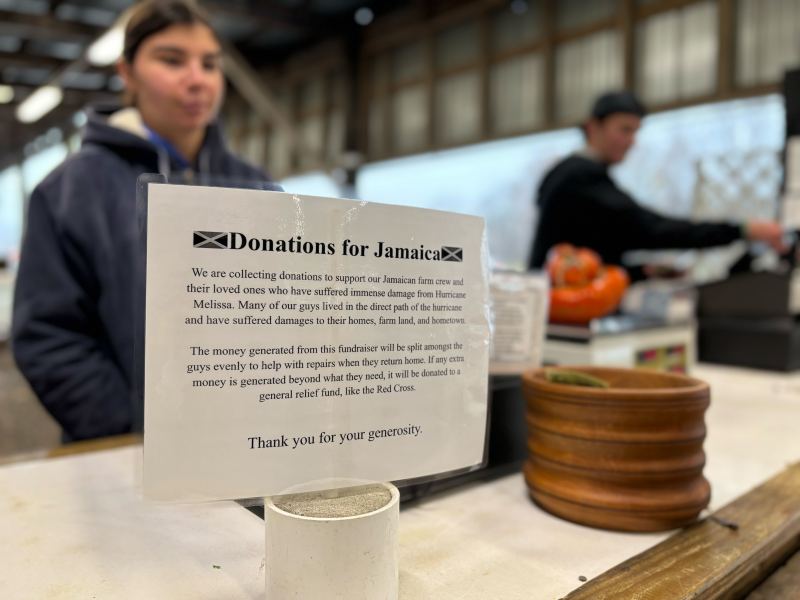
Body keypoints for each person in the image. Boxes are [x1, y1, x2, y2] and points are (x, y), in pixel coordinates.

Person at [12, 0, 271, 441]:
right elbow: (49, 336)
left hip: (243, 446)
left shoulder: (257, 187)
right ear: (127, 73)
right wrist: (131, 429)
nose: (196, 80)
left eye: (209, 64)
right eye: (172, 60)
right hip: (124, 453)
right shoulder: (70, 190)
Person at [528, 91, 786, 274]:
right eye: (624, 129)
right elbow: (651, 228)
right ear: (593, 126)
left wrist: (642, 271)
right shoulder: (579, 177)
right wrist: (742, 230)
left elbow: (594, 248)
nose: (632, 141)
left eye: (636, 131)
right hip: (558, 309)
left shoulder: (568, 174)